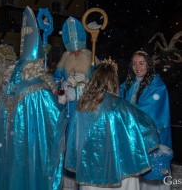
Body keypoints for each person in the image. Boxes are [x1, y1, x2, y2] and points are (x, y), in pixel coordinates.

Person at [0, 6, 67, 190]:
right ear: (38, 62)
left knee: (15, 171)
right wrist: (64, 102)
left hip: (12, 150)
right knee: (30, 174)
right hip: (30, 151)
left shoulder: (10, 83)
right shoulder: (38, 88)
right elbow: (55, 117)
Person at [65, 59, 160, 190]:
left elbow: (74, 138)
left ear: (94, 79)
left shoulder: (81, 106)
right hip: (120, 168)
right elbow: (147, 128)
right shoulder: (121, 106)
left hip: (90, 168)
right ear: (113, 81)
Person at [53, 16, 99, 189]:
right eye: (72, 51)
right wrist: (64, 85)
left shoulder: (94, 64)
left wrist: (88, 80)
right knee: (70, 146)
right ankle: (70, 182)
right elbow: (55, 87)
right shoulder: (61, 68)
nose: (76, 53)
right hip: (70, 115)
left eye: (79, 49)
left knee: (86, 146)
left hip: (89, 114)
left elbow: (103, 87)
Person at [119, 50, 172, 190]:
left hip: (152, 136)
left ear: (148, 64)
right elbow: (117, 99)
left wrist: (124, 112)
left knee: (153, 175)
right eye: (135, 64)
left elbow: (147, 110)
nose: (138, 67)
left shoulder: (157, 85)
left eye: (141, 63)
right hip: (134, 135)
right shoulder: (128, 84)